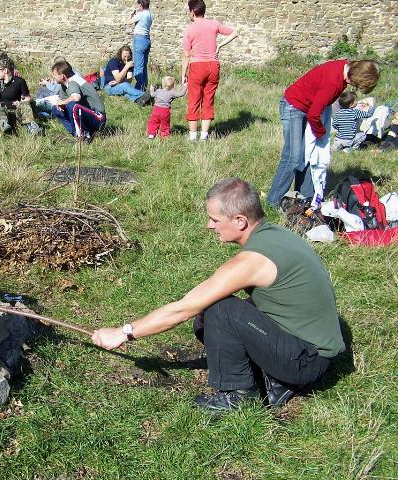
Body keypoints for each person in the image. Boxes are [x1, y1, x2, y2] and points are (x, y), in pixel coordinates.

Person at [92, 178, 345, 413]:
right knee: (207, 320)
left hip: (306, 362)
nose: (209, 225)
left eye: (215, 219)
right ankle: (275, 380)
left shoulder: (253, 261)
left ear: (240, 221)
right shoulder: (275, 235)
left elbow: (182, 309)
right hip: (308, 350)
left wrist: (123, 332)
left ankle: (239, 396)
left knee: (219, 310)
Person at [266, 60, 380, 207]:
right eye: (357, 85)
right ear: (355, 76)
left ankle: (304, 197)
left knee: (309, 152)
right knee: (292, 157)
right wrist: (321, 133)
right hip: (293, 106)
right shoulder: (334, 83)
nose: (354, 87)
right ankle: (273, 201)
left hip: (308, 108)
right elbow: (314, 115)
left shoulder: (344, 68)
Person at [181, 0, 237, 141]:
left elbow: (186, 55)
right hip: (213, 66)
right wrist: (219, 46)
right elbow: (234, 32)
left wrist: (183, 74)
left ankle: (193, 136)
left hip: (197, 67)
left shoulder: (189, 29)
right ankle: (204, 136)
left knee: (194, 100)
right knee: (208, 100)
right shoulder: (214, 24)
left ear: (192, 12)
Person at [50, 60, 106, 140]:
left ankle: (84, 137)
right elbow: (62, 101)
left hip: (98, 117)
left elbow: (76, 98)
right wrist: (60, 104)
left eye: (54, 74)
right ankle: (76, 134)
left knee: (72, 105)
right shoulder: (64, 86)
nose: (52, 76)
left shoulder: (73, 82)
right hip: (86, 115)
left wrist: (63, 102)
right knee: (56, 109)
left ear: (62, 76)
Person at [126, 0, 154, 91]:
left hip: (139, 39)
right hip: (147, 39)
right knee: (144, 65)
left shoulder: (141, 14)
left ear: (141, 5)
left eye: (138, 5)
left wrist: (132, 14)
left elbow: (128, 22)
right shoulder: (150, 14)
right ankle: (144, 86)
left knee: (138, 66)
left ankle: (139, 89)